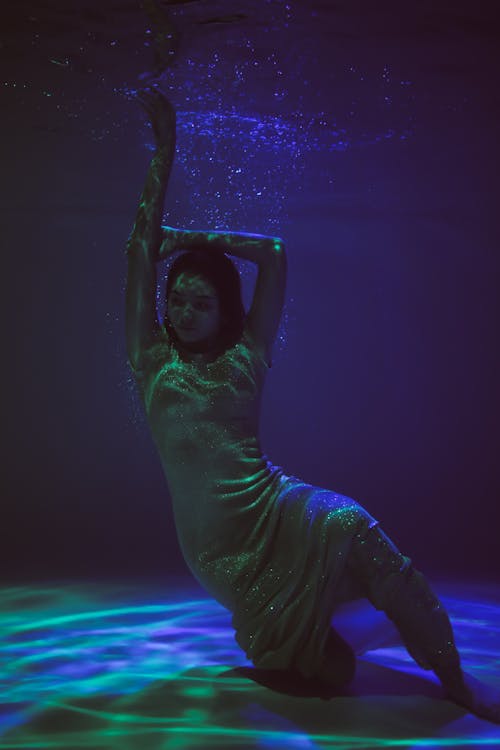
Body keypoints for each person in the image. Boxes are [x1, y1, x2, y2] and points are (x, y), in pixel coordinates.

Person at [125, 88, 500, 723]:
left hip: (278, 505)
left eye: (200, 302)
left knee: (353, 524)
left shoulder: (248, 354)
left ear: (225, 311)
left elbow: (273, 253)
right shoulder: (150, 359)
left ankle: (453, 676)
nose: (183, 313)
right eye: (177, 301)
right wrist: (166, 152)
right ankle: (319, 627)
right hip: (222, 553)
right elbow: (137, 253)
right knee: (329, 674)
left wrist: (185, 236)